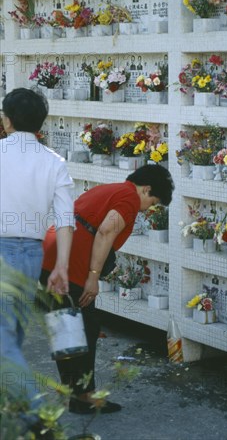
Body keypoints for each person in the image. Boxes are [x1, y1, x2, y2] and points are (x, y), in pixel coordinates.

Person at [40, 165, 174, 415]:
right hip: (71, 260)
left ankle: (77, 394)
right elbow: (105, 231)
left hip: (54, 249)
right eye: (153, 201)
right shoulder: (129, 199)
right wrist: (92, 277)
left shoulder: (111, 189)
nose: (149, 209)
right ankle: (83, 396)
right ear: (146, 189)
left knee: (67, 325)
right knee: (85, 326)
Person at [0, 89, 74, 429]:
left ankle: (36, 415)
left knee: (4, 339)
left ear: (7, 119)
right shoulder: (54, 162)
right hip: (32, 253)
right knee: (11, 335)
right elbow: (64, 220)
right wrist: (60, 266)